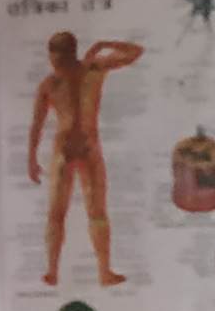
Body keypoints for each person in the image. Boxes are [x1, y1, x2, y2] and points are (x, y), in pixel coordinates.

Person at [27, 28, 144, 286]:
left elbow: (136, 52)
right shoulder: (50, 84)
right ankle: (52, 271)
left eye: (60, 59)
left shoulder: (94, 69)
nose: (55, 64)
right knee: (56, 212)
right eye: (53, 59)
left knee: (97, 211)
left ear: (71, 54)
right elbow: (36, 123)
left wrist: (105, 42)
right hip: (64, 149)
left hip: (90, 146)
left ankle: (104, 271)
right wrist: (31, 158)